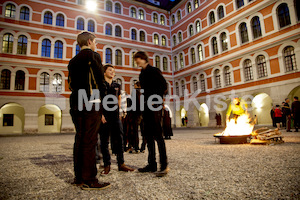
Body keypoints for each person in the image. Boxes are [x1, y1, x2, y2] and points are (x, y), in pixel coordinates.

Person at [68, 31, 110, 190]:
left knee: (80, 138)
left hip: (76, 102)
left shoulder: (72, 61)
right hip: (91, 101)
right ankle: (90, 179)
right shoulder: (93, 56)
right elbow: (99, 80)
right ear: (90, 41)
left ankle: (79, 177)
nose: (96, 45)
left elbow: (71, 84)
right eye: (95, 42)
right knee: (90, 140)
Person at [134, 51, 169, 177]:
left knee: (158, 136)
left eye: (137, 58)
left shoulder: (153, 70)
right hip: (147, 107)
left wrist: (156, 101)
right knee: (148, 136)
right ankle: (152, 164)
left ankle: (164, 165)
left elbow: (164, 86)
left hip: (154, 106)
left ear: (143, 58)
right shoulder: (141, 74)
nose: (136, 61)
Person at [99, 64, 134, 174]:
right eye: (110, 70)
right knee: (104, 141)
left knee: (119, 139)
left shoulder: (117, 85)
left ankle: (121, 163)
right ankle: (107, 165)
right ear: (104, 72)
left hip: (115, 115)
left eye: (113, 71)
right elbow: (96, 99)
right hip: (104, 115)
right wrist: (100, 114)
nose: (112, 72)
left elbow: (119, 97)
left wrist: (119, 110)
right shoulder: (100, 84)